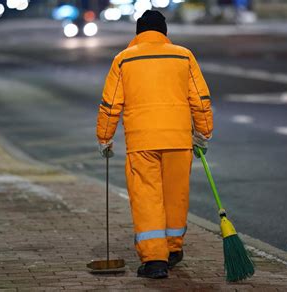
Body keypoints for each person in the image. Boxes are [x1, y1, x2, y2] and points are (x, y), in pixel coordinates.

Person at [96, 10, 213, 279]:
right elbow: (200, 99)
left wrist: (104, 138)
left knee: (147, 197)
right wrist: (203, 134)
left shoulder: (123, 60)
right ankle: (173, 249)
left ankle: (155, 260)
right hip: (178, 140)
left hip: (142, 142)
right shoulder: (184, 56)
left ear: (137, 33)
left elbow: (111, 104)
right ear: (164, 32)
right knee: (175, 196)